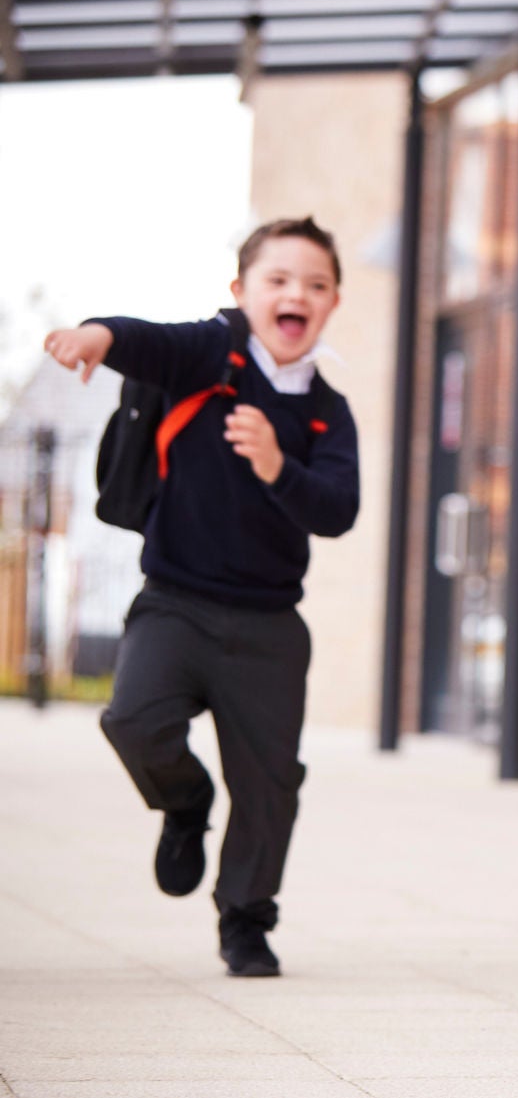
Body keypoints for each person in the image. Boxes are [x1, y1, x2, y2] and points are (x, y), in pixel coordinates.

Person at [43, 217, 360, 978]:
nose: (296, 295)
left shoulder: (327, 410)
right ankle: (186, 805)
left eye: (315, 285)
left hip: (270, 623)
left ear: (334, 302)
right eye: (277, 280)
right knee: (132, 720)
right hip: (175, 602)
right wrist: (95, 335)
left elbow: (338, 511)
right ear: (240, 292)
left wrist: (278, 465)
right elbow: (144, 339)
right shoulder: (207, 355)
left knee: (270, 782)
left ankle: (246, 919)